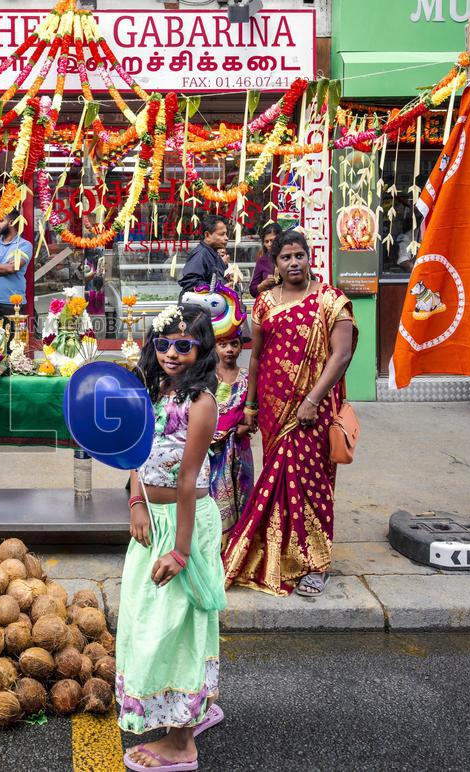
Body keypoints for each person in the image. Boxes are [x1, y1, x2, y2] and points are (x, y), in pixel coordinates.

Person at [118, 304, 226, 771]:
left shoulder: (201, 403)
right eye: (164, 344)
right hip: (153, 521)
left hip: (185, 524)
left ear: (202, 349)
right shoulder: (152, 388)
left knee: (177, 628)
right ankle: (195, 706)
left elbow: (186, 480)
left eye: (184, 345)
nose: (172, 354)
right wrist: (136, 503)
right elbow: (133, 450)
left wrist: (181, 552)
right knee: (145, 618)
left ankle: (182, 743)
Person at [223, 230, 357, 597]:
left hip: (315, 409)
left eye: (299, 255)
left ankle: (316, 562)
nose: (294, 262)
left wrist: (312, 400)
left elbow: (341, 355)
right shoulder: (265, 302)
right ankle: (281, 554)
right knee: (278, 478)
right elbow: (257, 357)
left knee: (313, 482)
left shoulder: (331, 300)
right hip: (274, 408)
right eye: (286, 257)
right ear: (275, 264)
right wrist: (250, 406)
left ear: (309, 258)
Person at [209, 333, 255, 549]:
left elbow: (254, 410)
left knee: (242, 496)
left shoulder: (248, 378)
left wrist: (247, 425)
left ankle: (238, 549)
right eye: (223, 344)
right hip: (213, 452)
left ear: (241, 347)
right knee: (216, 497)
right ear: (215, 347)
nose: (229, 349)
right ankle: (217, 547)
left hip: (240, 449)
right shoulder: (208, 377)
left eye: (234, 344)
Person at [0, 209, 32, 319]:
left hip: (14, 303)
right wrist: (7, 269)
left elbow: (12, 268)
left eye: (1, 221)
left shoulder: (24, 245)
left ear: (11, 223)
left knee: (14, 332)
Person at [179, 215, 229, 294]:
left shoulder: (213, 253)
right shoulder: (201, 254)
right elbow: (190, 282)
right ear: (207, 235)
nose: (226, 238)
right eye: (221, 234)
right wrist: (219, 288)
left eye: (226, 234)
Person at [248, 222, 283, 298]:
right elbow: (252, 290)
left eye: (272, 240)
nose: (269, 244)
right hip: (269, 301)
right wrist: (263, 284)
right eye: (266, 241)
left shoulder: (288, 257)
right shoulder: (262, 261)